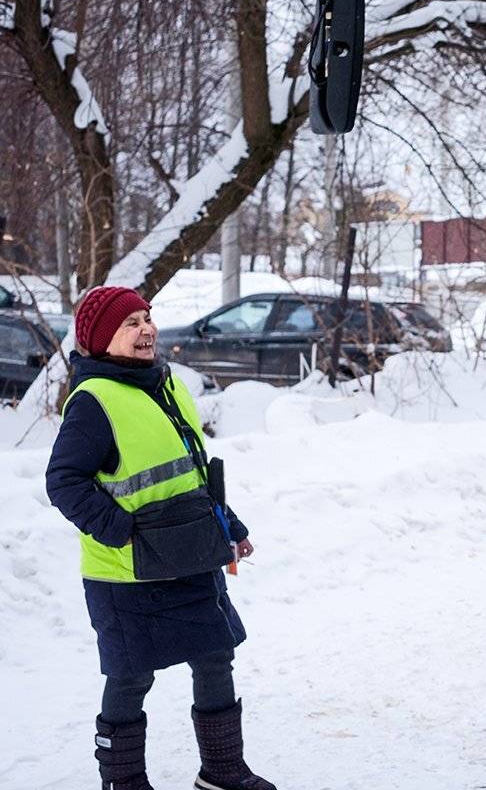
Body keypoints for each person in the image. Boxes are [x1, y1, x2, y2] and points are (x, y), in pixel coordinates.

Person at [45, 286, 274, 790]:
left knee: (215, 657)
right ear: (103, 338)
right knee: (131, 676)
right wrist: (122, 533)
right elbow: (63, 481)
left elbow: (192, 473)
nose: (146, 329)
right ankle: (123, 782)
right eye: (130, 323)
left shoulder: (168, 387)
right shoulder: (94, 400)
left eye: (148, 318)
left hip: (192, 554)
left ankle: (222, 771)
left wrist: (229, 526)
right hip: (126, 572)